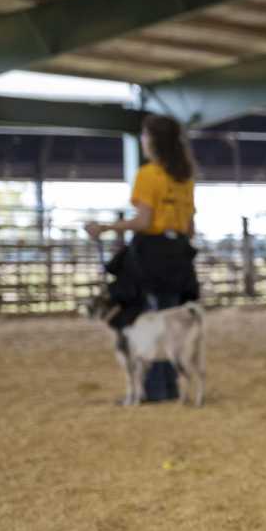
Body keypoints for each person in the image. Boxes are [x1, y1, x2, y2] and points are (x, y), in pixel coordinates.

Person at [84, 114, 201, 404]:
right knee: (172, 318)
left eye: (146, 135)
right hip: (179, 256)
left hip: (152, 256)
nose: (143, 140)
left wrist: (107, 228)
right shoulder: (184, 178)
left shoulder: (148, 175)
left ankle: (154, 389)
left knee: (148, 319)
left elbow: (144, 222)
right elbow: (189, 226)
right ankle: (171, 386)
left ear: (155, 141)